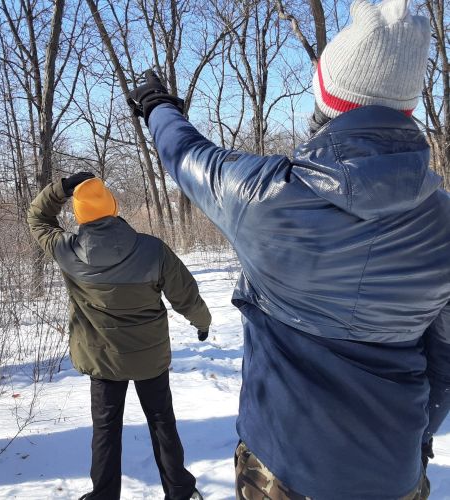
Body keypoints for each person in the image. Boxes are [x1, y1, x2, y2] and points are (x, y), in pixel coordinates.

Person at [126, 0, 450, 498]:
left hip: (283, 469)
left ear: (331, 99)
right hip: (394, 470)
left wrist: (156, 103)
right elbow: (444, 355)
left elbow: (187, 154)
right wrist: (420, 437)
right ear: (406, 108)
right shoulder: (444, 221)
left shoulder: (264, 197)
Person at [27, 173, 210, 500]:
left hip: (102, 360)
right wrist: (201, 321)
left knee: (106, 430)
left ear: (80, 216)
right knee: (162, 424)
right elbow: (185, 294)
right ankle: (181, 492)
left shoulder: (66, 251)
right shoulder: (153, 250)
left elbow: (38, 217)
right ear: (113, 207)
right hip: (149, 358)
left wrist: (63, 187)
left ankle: (104, 495)